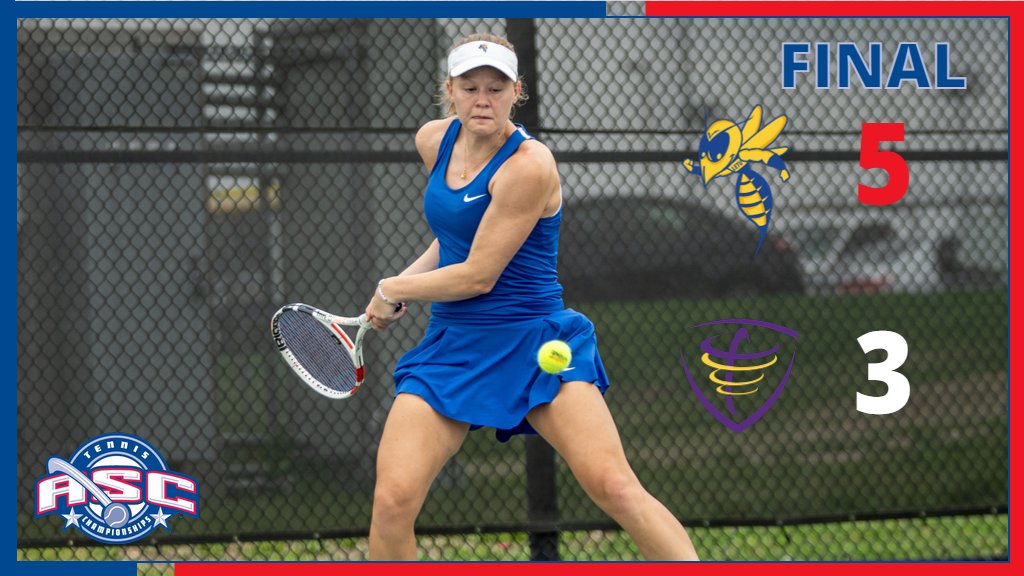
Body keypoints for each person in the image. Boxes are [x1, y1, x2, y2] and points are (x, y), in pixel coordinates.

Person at [363, 33, 699, 561]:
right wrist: (404, 283)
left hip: (535, 342)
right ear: (448, 90)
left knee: (614, 486)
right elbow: (457, 235)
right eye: (469, 87)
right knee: (392, 500)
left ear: (516, 91)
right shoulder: (433, 141)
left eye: (496, 88)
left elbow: (478, 274)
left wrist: (394, 287)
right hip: (453, 344)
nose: (482, 99)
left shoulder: (529, 165)